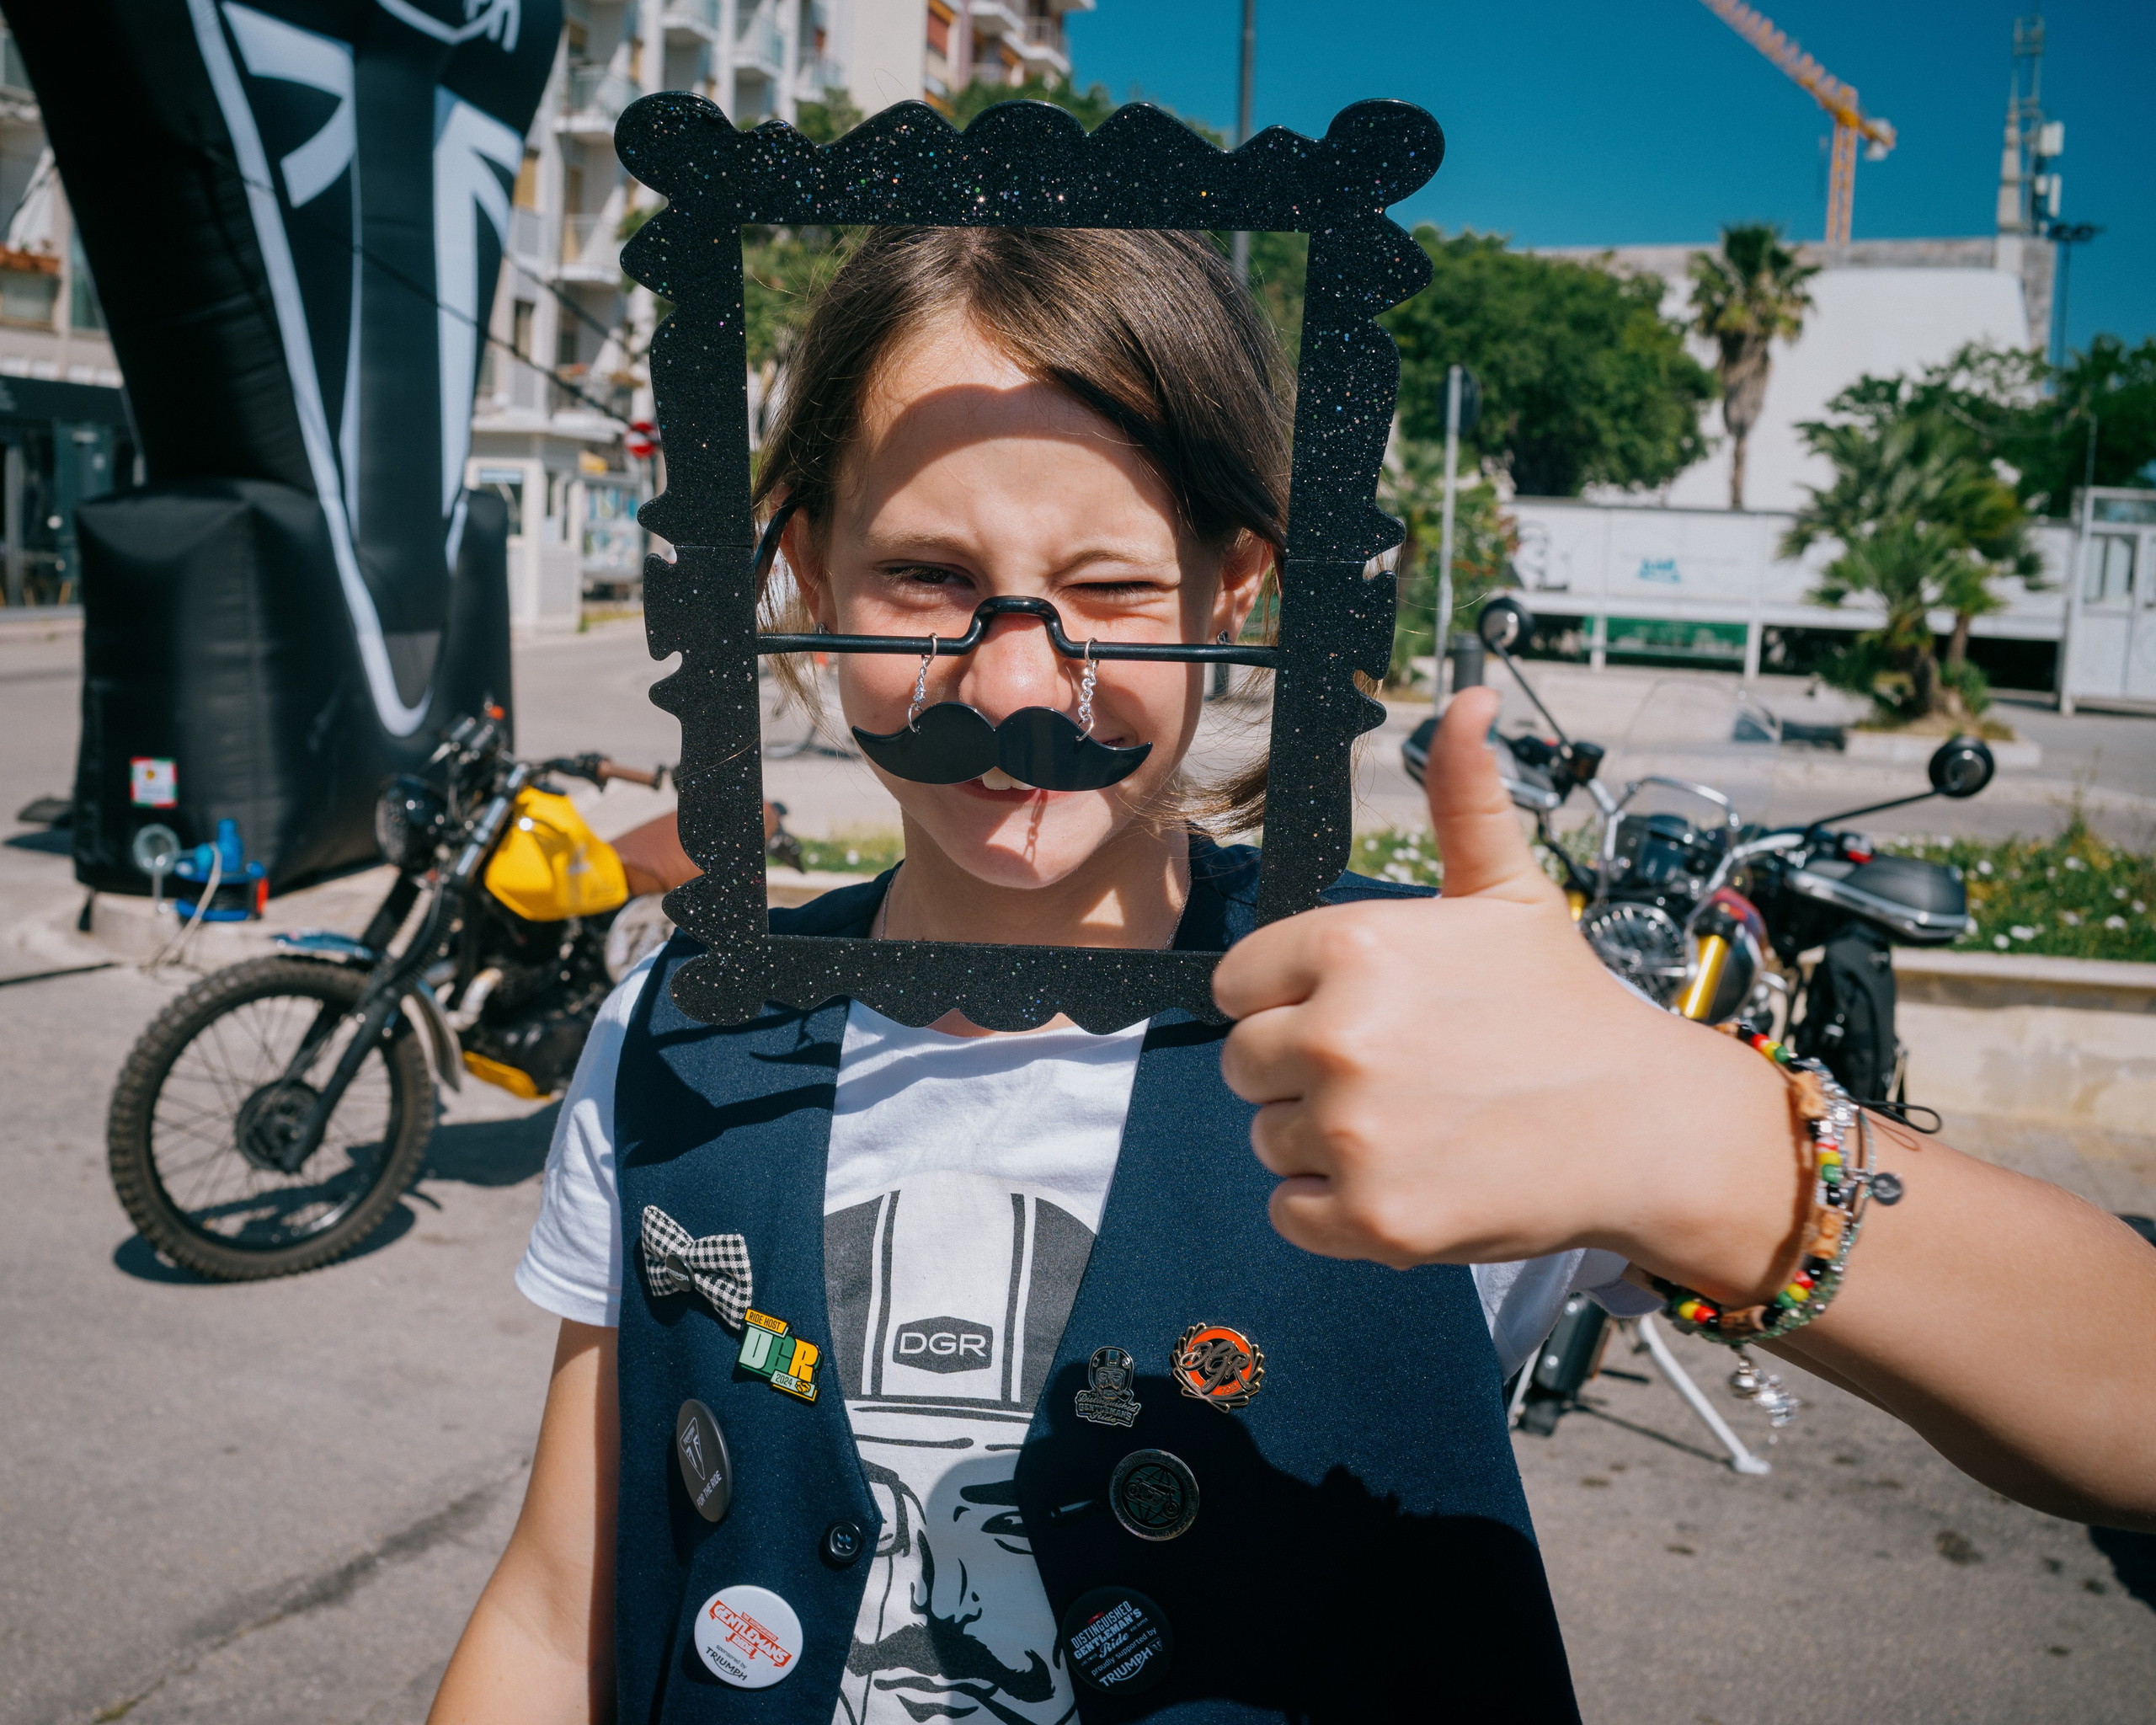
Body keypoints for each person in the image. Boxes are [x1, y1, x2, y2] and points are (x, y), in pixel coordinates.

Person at [430, 226, 1622, 1724]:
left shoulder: (1422, 1028)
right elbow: (558, 1607)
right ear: (809, 572)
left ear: (1231, 589)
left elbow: (2018, 1380)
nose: (1008, 687)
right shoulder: (680, 1032)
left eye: (1110, 586)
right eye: (928, 576)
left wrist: (1716, 1154)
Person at [1214, 682, 2156, 1536]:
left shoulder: (1431, 999)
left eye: (1113, 586)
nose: (1060, 679)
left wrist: (1689, 1133)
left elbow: (2128, 1395)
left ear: (1240, 582)